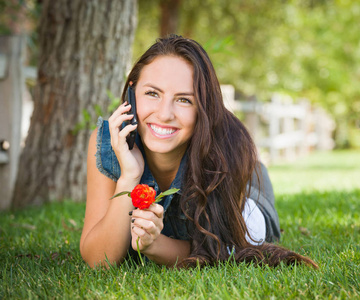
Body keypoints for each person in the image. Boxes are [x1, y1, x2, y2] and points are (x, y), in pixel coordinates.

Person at [80, 35, 317, 269]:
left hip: (244, 197)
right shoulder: (108, 142)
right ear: (132, 93)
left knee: (255, 233)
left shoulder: (227, 149)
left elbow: (220, 251)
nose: (164, 114)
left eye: (184, 100)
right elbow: (97, 260)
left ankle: (255, 169)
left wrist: (154, 245)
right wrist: (129, 177)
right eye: (152, 93)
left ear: (202, 106)